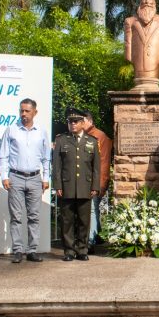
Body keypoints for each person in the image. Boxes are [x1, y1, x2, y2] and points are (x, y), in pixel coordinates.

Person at [0, 98, 51, 264]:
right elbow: (3, 155)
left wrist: (45, 178)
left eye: (27, 111)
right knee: (16, 216)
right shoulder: (12, 130)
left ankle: (32, 250)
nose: (23, 114)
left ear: (35, 112)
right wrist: (4, 176)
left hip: (35, 178)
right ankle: (17, 250)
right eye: (21, 110)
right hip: (16, 177)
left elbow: (45, 158)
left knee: (34, 216)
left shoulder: (41, 131)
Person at [53, 108, 101, 261]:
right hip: (67, 186)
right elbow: (57, 166)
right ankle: (69, 251)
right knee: (67, 220)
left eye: (75, 122)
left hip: (85, 187)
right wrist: (58, 185)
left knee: (83, 220)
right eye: (70, 122)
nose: (72, 124)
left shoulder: (92, 141)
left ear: (82, 123)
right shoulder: (61, 140)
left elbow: (96, 168)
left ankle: (82, 250)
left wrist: (95, 186)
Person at [124, 0, 159, 90]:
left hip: (155, 61)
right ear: (140, 2)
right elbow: (128, 43)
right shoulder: (130, 21)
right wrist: (128, 57)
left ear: (154, 2)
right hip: (138, 61)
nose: (146, 1)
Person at [81, 110, 113, 253]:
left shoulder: (99, 136)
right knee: (92, 210)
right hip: (84, 180)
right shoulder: (82, 135)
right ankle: (97, 235)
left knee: (92, 210)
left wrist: (101, 183)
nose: (79, 124)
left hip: (94, 181)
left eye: (82, 121)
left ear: (90, 121)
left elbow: (104, 162)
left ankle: (90, 241)